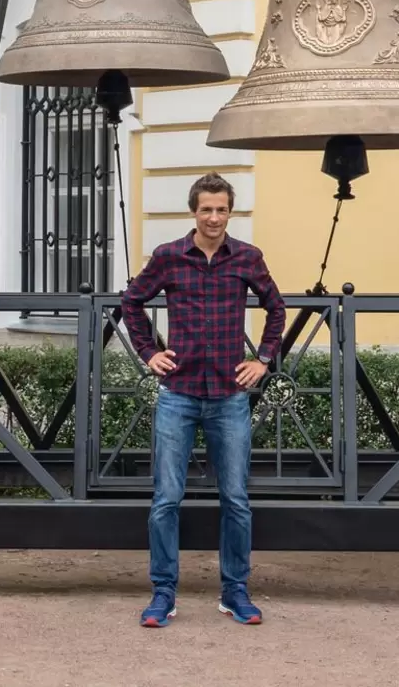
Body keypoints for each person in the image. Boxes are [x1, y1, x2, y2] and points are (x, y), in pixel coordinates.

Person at [121, 171, 286, 629]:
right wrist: (150, 352)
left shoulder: (248, 257)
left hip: (229, 396)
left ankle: (235, 592)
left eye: (222, 209)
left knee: (236, 499)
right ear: (193, 211)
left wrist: (263, 360)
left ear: (230, 212)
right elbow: (131, 302)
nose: (214, 217)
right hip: (179, 393)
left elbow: (276, 308)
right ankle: (162, 594)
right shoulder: (169, 256)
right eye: (206, 209)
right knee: (166, 499)